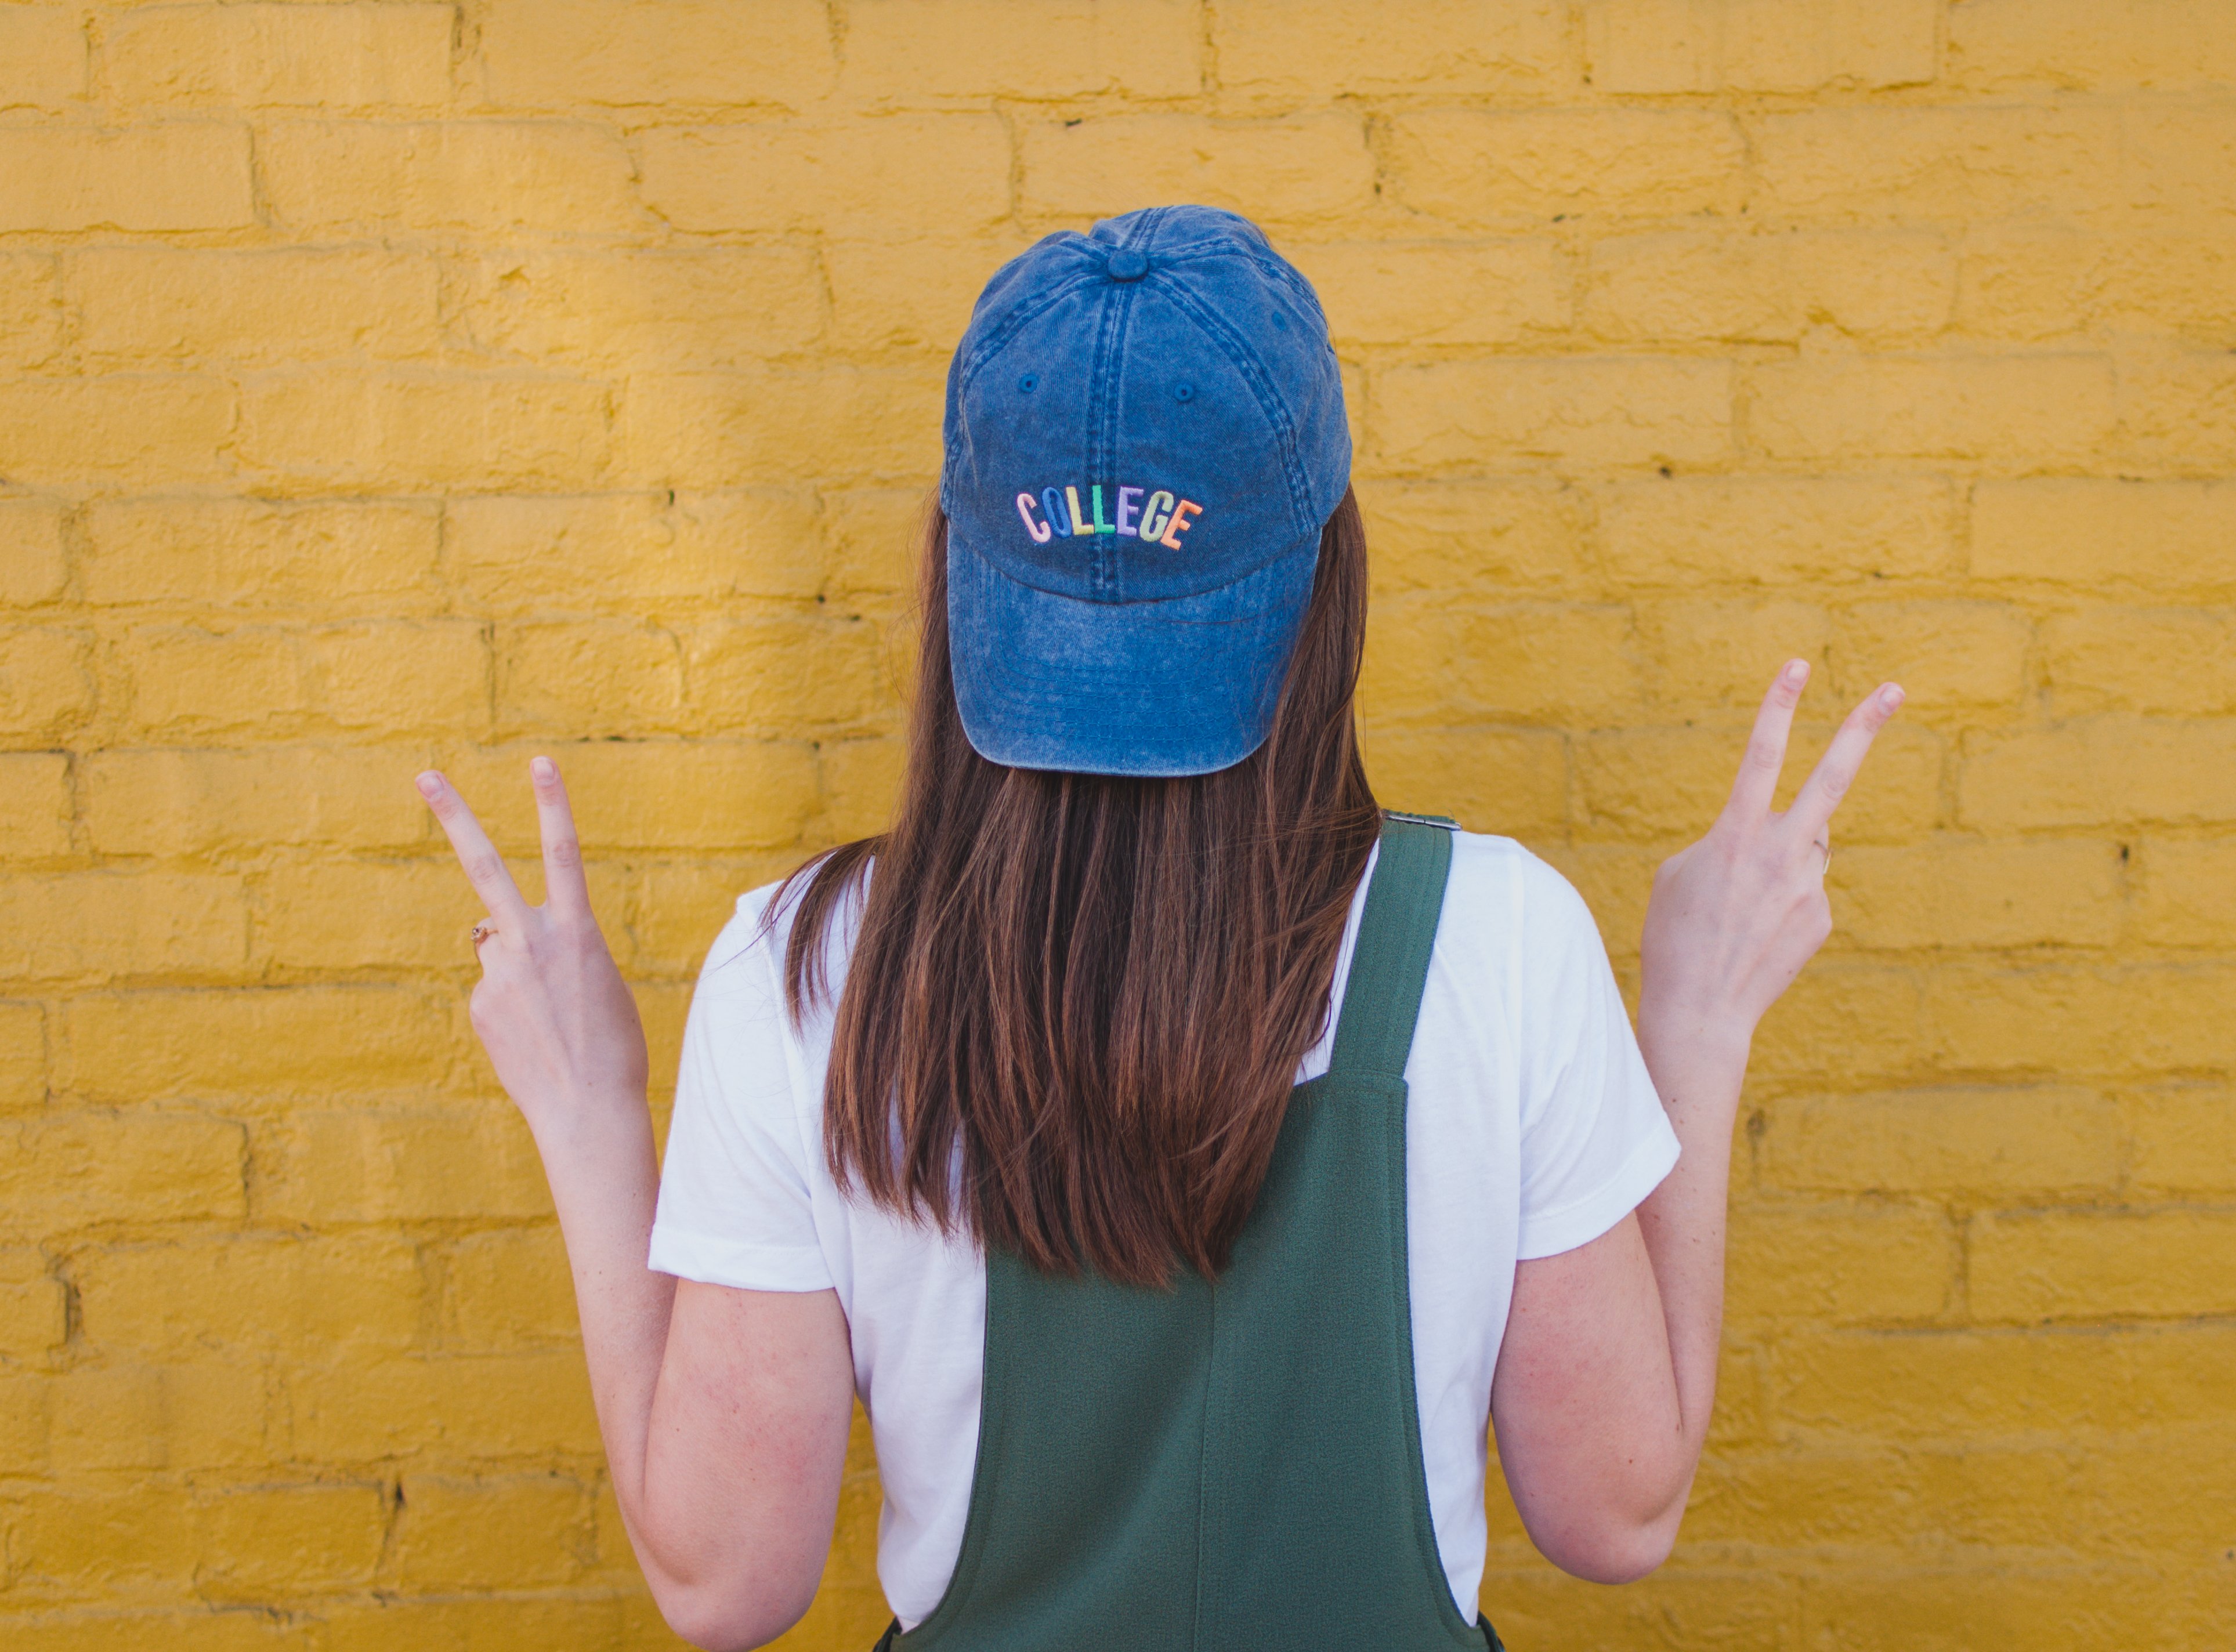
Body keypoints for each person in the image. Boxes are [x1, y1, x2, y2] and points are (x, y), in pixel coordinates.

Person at [414, 205, 1902, 1651]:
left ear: (951, 568)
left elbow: (721, 1585)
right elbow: (1618, 1514)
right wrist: (1696, 1028)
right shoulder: (1500, 943)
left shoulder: (803, 975)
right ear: (1329, 571)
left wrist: (594, 1109)